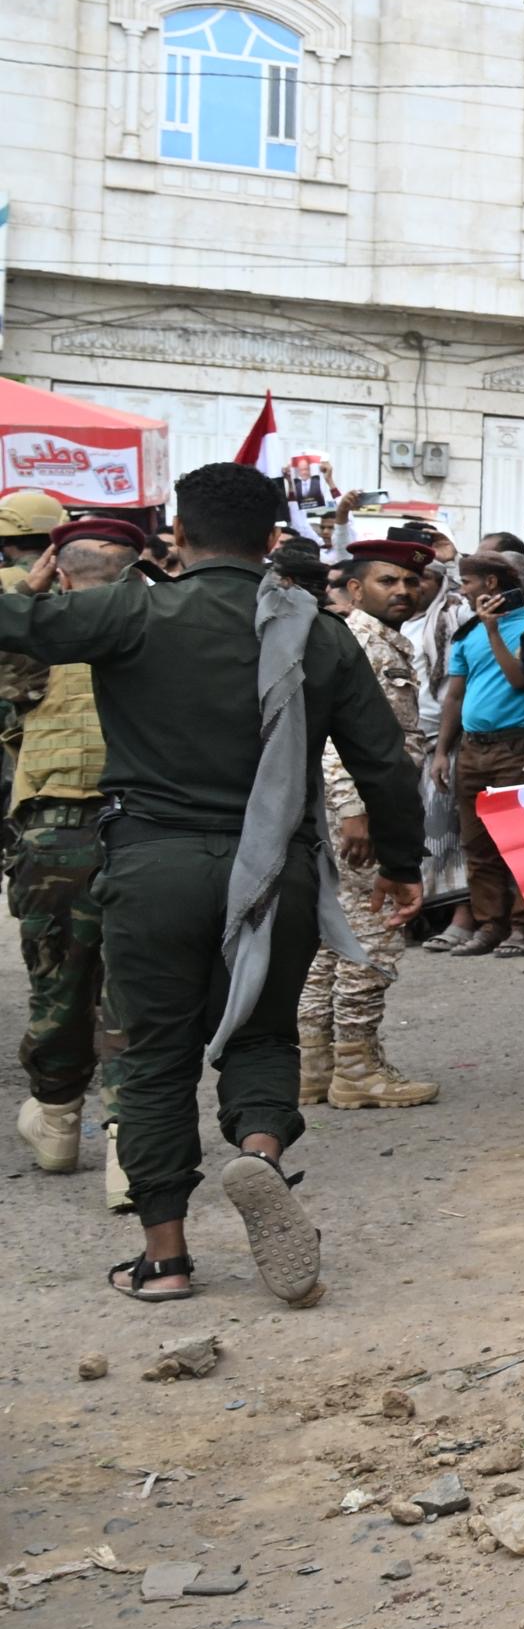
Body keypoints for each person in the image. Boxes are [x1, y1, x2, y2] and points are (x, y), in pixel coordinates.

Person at [2, 460, 426, 1307]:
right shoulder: (319, 629)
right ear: (275, 540)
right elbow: (382, 759)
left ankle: (165, 1257)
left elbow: (16, 622)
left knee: (156, 1055)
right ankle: (260, 1157)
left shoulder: (133, 608)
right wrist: (403, 865)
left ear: (178, 537)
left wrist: (27, 577)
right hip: (276, 869)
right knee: (263, 1037)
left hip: (151, 865)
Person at [289, 534, 438, 1116]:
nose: (402, 590)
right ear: (354, 588)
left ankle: (313, 1066)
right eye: (387, 580)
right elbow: (336, 736)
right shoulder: (362, 644)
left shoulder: (373, 639)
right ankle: (357, 1068)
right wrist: (356, 808)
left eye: (409, 581)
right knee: (372, 936)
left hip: (353, 806)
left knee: (329, 939)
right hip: (362, 812)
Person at [8, 514, 124, 1175]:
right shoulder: (153, 628)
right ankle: (126, 1146)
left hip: (52, 832)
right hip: (141, 827)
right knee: (133, 988)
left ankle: (56, 1120)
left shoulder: (33, 634)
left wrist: (27, 594)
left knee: (57, 981)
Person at [430, 553, 524, 954]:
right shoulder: (467, 634)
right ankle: (489, 925)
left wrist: (493, 631)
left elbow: (522, 681)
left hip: (516, 745)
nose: (463, 590)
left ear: (491, 584)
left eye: (468, 582)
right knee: (477, 844)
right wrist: (443, 751)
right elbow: (455, 695)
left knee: (523, 841)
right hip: (472, 749)